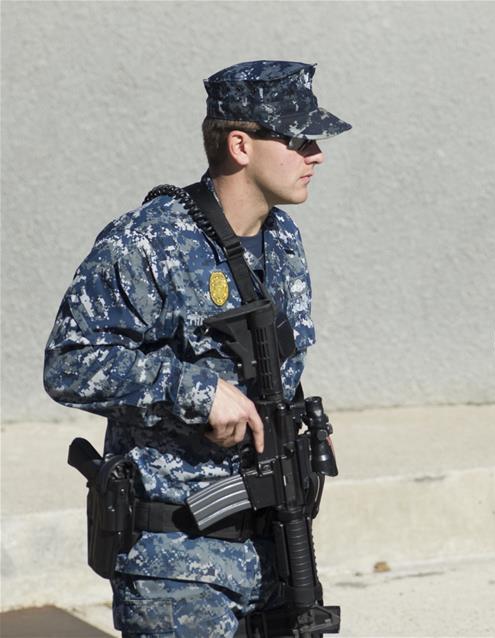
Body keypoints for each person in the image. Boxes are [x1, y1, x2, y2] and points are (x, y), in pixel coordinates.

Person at [44, 60, 350, 636]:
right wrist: (197, 391)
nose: (316, 154)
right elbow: (69, 361)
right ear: (241, 144)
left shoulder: (282, 238)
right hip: (176, 563)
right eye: (297, 138)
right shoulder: (148, 239)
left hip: (274, 549)